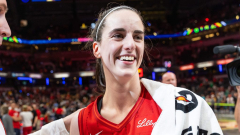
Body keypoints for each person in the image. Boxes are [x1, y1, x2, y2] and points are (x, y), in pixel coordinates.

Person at [30, 5, 223, 135]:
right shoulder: (78, 124)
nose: (130, 44)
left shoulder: (184, 105)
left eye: (138, 37)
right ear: (96, 48)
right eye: (118, 35)